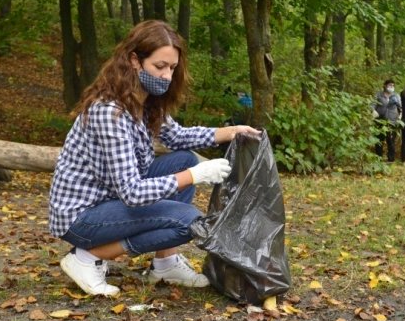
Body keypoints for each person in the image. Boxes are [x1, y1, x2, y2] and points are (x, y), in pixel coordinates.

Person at [48, 20, 261, 297]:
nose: (167, 76)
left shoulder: (144, 102)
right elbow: (132, 193)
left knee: (183, 159)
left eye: (172, 68)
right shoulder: (109, 112)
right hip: (83, 217)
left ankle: (165, 263)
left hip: (111, 200)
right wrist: (196, 176)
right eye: (159, 66)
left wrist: (230, 131)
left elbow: (178, 136)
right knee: (188, 221)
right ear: (135, 61)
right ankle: (87, 257)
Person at [373, 78, 402, 162]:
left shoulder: (396, 96)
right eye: (390, 85)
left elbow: (401, 107)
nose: (391, 87)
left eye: (393, 85)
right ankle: (378, 158)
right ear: (385, 86)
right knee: (379, 140)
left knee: (391, 140)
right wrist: (373, 111)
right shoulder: (379, 95)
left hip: (392, 121)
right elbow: (372, 104)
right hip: (380, 120)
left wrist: (400, 115)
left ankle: (391, 159)